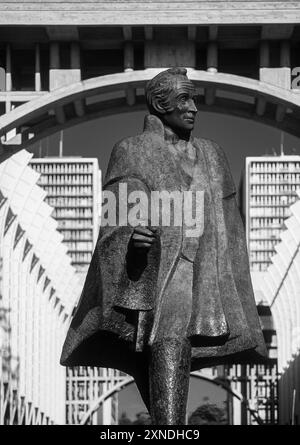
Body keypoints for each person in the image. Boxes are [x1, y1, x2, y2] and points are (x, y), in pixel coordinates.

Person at [60, 67, 266, 424]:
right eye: (184, 99)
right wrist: (131, 241)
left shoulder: (213, 155)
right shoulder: (131, 150)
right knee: (168, 337)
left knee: (165, 348)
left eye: (194, 99)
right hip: (155, 269)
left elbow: (230, 230)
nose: (194, 108)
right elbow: (118, 210)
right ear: (160, 103)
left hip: (204, 271)